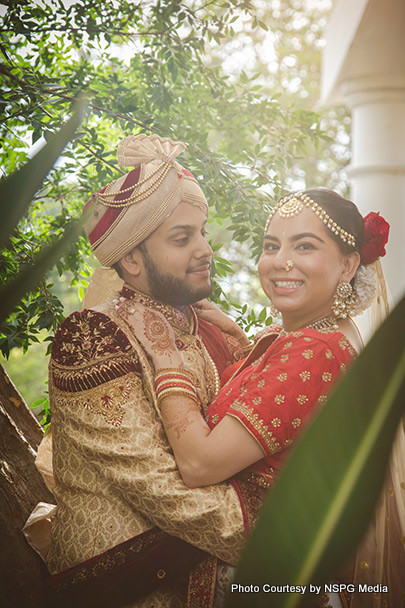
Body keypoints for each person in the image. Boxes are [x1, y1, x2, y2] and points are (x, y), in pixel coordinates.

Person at [116, 188, 402, 607]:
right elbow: (274, 397)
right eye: (272, 246)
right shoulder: (306, 337)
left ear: (348, 264)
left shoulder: (314, 350)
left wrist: (166, 356)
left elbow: (200, 464)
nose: (280, 261)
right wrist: (237, 339)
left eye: (304, 246)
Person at [41, 133, 256, 608]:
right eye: (182, 238)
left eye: (201, 231)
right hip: (123, 580)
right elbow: (158, 485)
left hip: (190, 557)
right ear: (131, 258)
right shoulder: (91, 338)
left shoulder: (204, 325)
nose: (204, 248)